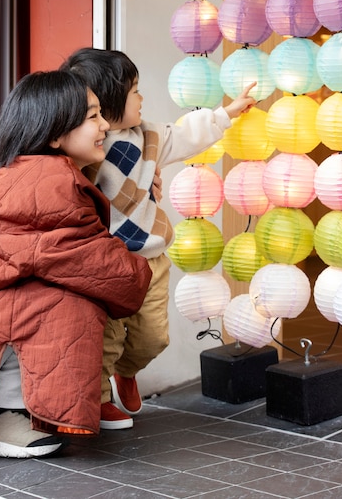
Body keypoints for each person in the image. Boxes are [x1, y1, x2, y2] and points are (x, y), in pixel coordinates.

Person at [0, 69, 152, 458]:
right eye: (93, 116)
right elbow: (119, 278)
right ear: (55, 134)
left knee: (54, 287)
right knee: (65, 298)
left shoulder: (24, 174)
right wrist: (142, 269)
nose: (105, 124)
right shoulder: (51, 183)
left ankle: (3, 405)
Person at [60, 48, 257, 430]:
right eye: (134, 90)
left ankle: (127, 371)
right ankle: (99, 400)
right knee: (107, 337)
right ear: (108, 102)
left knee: (153, 336)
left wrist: (226, 114)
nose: (142, 97)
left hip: (152, 258)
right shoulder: (86, 148)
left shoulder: (149, 136)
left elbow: (185, 135)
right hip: (111, 262)